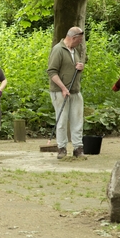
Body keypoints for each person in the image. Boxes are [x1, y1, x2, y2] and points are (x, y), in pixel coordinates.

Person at [47, 26, 86, 159]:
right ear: (73, 38)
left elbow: (72, 68)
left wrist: (79, 67)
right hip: (60, 92)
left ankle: (78, 148)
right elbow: (51, 72)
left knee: (77, 120)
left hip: (75, 90)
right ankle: (62, 148)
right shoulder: (58, 50)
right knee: (62, 121)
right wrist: (63, 88)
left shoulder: (74, 50)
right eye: (79, 40)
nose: (80, 42)